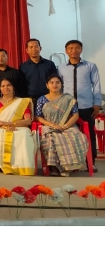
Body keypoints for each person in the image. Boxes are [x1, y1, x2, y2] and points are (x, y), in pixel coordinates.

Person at [58, 40, 101, 171]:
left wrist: (97, 103)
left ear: (81, 50)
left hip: (86, 106)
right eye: (70, 48)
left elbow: (96, 85)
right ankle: (71, 163)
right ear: (66, 51)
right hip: (67, 108)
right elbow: (59, 87)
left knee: (89, 135)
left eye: (77, 48)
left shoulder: (90, 66)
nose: (74, 51)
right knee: (68, 135)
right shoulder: (61, 68)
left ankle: (91, 163)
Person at [35, 73, 88, 176]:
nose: (55, 85)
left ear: (61, 84)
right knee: (50, 137)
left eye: (57, 82)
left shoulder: (68, 99)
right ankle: (53, 167)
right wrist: (52, 125)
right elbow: (38, 116)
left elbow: (75, 115)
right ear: (47, 85)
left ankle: (68, 166)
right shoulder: (42, 99)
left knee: (75, 136)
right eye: (52, 82)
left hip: (67, 126)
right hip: (49, 126)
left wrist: (65, 126)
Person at [0, 78, 36, 175]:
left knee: (24, 135)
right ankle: (1, 165)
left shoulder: (22, 102)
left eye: (8, 85)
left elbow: (27, 120)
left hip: (19, 126)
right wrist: (4, 126)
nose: (6, 88)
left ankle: (21, 166)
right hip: (1, 127)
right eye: (3, 86)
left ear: (13, 88)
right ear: (0, 89)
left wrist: (10, 124)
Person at [19, 38, 57, 106]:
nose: (34, 49)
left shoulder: (50, 64)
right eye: (31, 47)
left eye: (36, 46)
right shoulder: (23, 67)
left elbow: (55, 81)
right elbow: (22, 85)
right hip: (30, 100)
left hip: (48, 99)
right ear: (27, 50)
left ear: (40, 48)